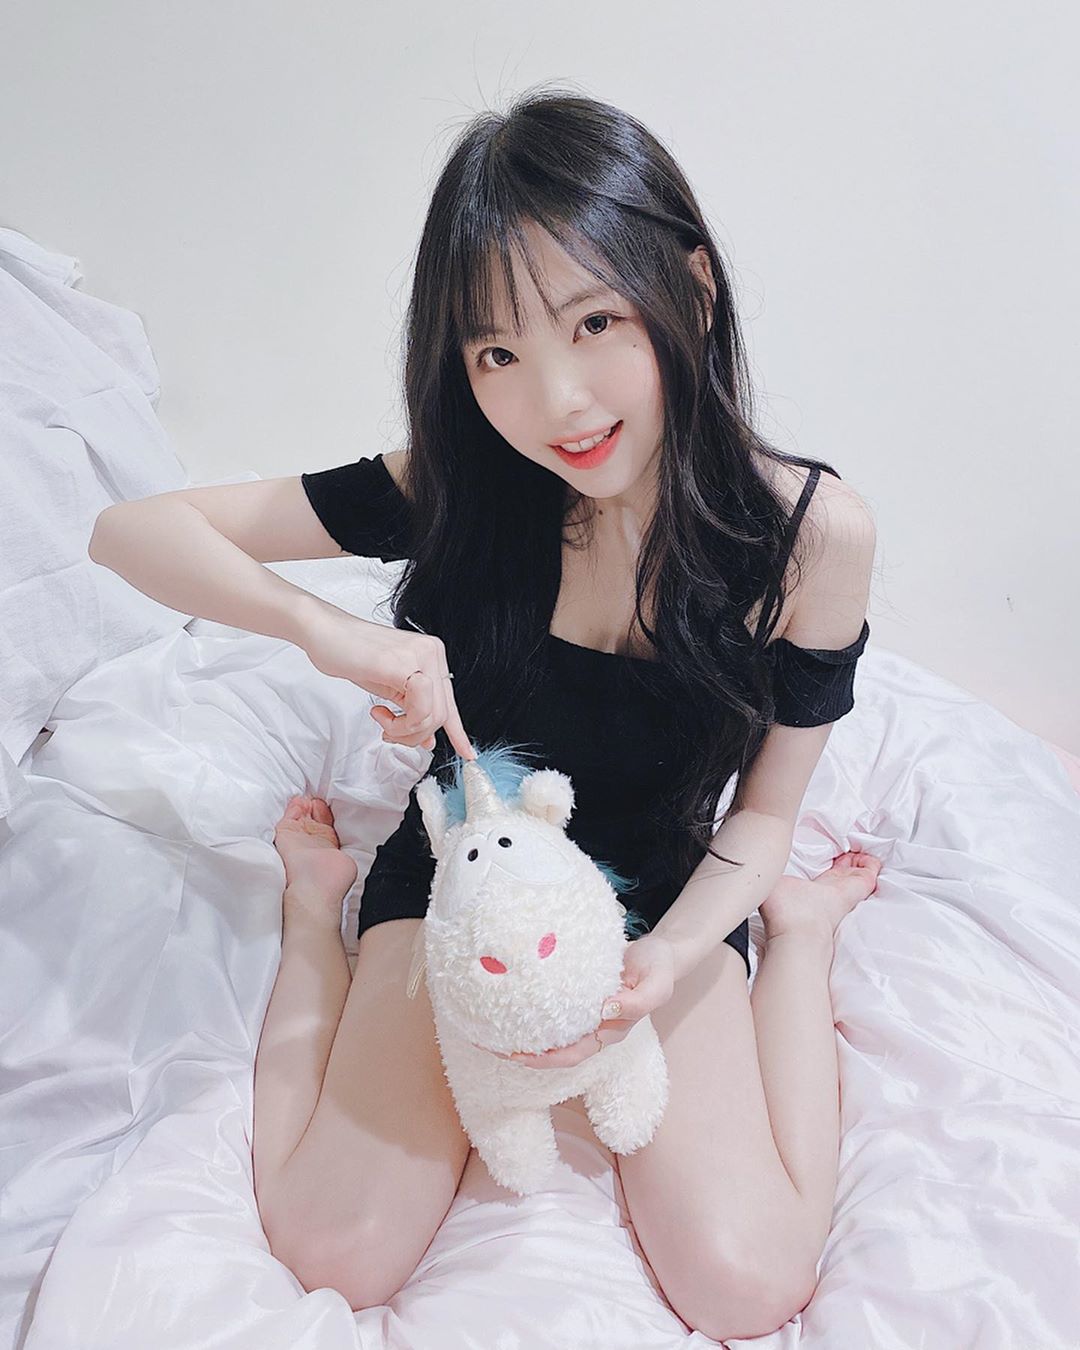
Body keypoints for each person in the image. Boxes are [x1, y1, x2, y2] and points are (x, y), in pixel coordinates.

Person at [89, 87, 881, 1340]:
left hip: (665, 890)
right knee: (332, 1248)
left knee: (749, 1283)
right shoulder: (460, 487)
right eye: (496, 353)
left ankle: (806, 939)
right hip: (466, 869)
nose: (556, 402)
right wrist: (334, 633)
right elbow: (130, 532)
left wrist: (676, 955)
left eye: (596, 322)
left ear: (691, 288)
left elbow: (766, 816)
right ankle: (313, 909)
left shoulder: (806, 539)